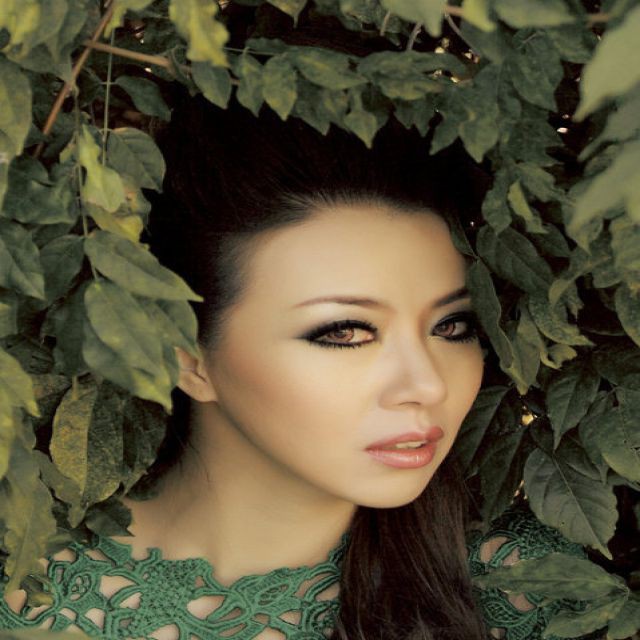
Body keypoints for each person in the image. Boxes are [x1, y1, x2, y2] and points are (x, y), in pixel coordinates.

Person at [0, 95, 591, 640]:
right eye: (345, 332)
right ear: (184, 355)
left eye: (452, 326)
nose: (428, 384)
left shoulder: (531, 593)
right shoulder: (21, 584)